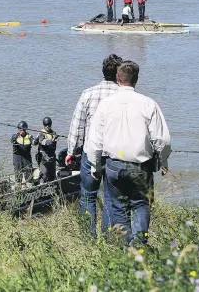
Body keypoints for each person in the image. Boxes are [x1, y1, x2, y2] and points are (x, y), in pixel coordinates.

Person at [84, 61, 171, 245]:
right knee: (140, 205)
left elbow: (94, 141)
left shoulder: (106, 105)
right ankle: (138, 246)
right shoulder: (148, 104)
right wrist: (163, 161)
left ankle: (124, 248)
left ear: (117, 78)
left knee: (118, 208)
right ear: (136, 80)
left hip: (114, 166)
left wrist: (96, 166)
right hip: (141, 166)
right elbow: (162, 140)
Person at [67, 53, 123, 234]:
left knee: (88, 195)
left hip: (91, 153)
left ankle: (87, 236)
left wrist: (71, 151)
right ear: (118, 74)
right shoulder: (125, 97)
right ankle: (109, 238)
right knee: (111, 198)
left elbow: (77, 125)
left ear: (103, 72)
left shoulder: (88, 93)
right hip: (117, 154)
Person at [33, 117, 58, 183]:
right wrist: (51, 141)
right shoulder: (41, 133)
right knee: (43, 174)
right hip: (43, 157)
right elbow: (42, 142)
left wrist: (55, 140)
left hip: (52, 156)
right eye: (46, 125)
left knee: (52, 173)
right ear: (44, 125)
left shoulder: (54, 133)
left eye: (49, 125)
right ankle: (41, 186)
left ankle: (52, 185)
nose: (47, 126)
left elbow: (54, 145)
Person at [11, 121, 35, 187]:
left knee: (28, 172)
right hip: (17, 157)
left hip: (26, 157)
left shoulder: (30, 136)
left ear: (25, 130)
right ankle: (18, 186)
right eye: (19, 129)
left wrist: (36, 140)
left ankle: (29, 186)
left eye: (22, 130)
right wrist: (16, 136)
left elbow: (34, 143)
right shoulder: (15, 136)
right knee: (18, 173)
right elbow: (12, 140)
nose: (20, 131)